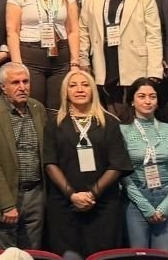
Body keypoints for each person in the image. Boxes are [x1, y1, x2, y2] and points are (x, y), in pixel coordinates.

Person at [42, 68, 132, 257]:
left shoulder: (110, 122)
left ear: (93, 90)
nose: (80, 89)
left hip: (103, 205)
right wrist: (72, 195)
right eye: (73, 85)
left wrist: (92, 194)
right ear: (65, 91)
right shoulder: (54, 123)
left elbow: (117, 164)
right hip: (65, 205)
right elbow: (50, 163)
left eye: (85, 85)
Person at [79, 0, 162, 116]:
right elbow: (84, 30)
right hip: (103, 63)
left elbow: (154, 37)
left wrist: (154, 72)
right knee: (108, 116)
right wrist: (83, 59)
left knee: (132, 116)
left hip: (135, 64)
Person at [0, 62, 47, 250]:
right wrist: (6, 204)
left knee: (32, 252)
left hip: (36, 193)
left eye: (26, 81)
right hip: (9, 194)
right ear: (3, 87)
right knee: (7, 254)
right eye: (15, 82)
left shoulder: (38, 108)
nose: (22, 87)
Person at [6, 0, 80, 111]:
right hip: (31, 57)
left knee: (58, 108)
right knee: (34, 108)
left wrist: (75, 63)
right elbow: (12, 32)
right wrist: (17, 64)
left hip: (61, 58)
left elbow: (73, 30)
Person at [119, 77, 168, 252]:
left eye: (152, 96)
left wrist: (167, 204)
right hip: (136, 200)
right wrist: (145, 206)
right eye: (142, 96)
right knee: (139, 254)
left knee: (163, 255)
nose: (148, 101)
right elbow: (123, 173)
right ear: (132, 100)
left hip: (166, 198)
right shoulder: (122, 131)